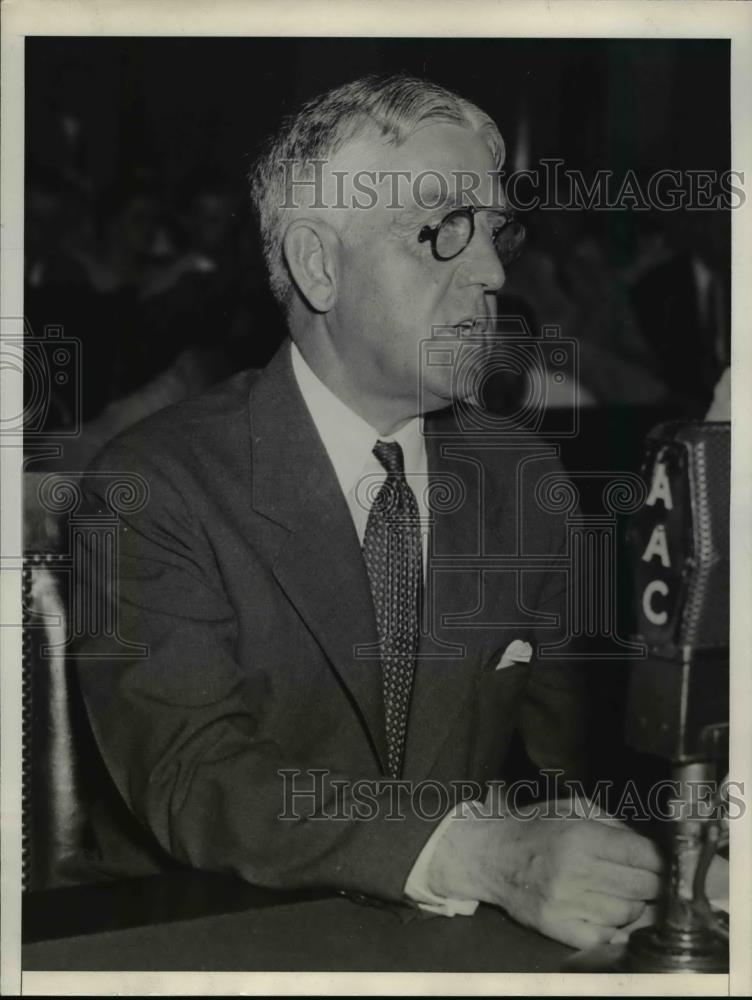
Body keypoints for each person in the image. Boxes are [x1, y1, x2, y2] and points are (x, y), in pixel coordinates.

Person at [76, 75, 663, 952]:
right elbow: (196, 777)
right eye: (445, 229)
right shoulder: (151, 486)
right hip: (207, 941)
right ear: (319, 265)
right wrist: (481, 855)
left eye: (494, 230)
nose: (494, 271)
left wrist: (644, 857)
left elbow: (572, 758)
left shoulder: (523, 479)